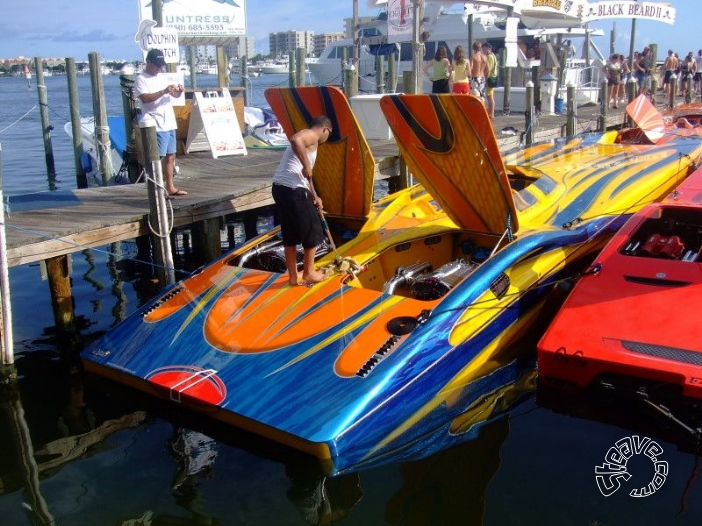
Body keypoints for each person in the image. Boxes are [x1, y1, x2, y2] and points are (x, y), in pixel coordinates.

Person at [271, 115, 333, 286]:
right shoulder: (312, 135)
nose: (326, 140)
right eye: (328, 135)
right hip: (292, 189)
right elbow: (295, 139)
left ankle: (292, 277)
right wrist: (307, 165)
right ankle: (309, 273)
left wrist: (315, 196)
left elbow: (303, 178)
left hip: (280, 187)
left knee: (289, 232)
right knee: (312, 230)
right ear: (325, 129)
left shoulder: (312, 141)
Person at [134, 48, 187, 197]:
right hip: (155, 122)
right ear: (148, 62)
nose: (159, 68)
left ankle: (170, 186)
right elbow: (145, 98)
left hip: (169, 121)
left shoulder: (162, 77)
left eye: (160, 65)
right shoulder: (141, 78)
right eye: (156, 64)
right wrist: (163, 91)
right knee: (158, 157)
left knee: (171, 155)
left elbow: (173, 96)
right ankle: (156, 188)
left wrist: (179, 92)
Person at [483, 42, 498, 118]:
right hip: (493, 77)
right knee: (490, 95)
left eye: (484, 48)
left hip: (490, 78)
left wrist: (486, 79)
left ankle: (491, 114)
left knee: (489, 96)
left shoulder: (489, 57)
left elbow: (489, 69)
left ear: (488, 48)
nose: (483, 50)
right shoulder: (493, 56)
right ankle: (491, 113)